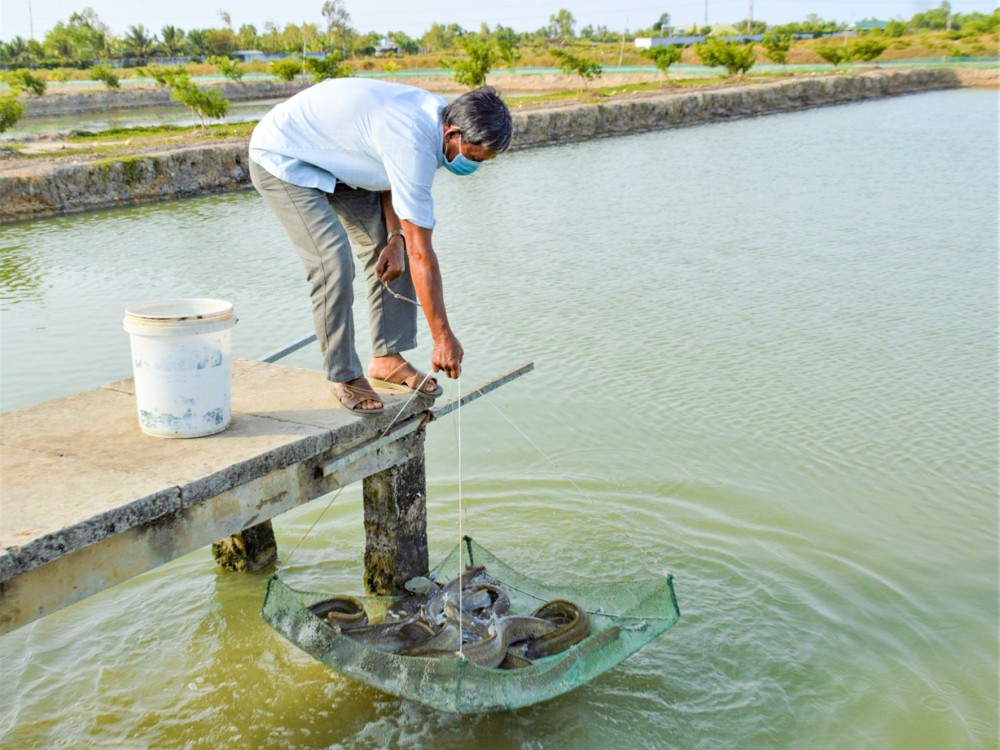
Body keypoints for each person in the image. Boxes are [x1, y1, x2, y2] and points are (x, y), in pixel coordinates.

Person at [248, 80, 513, 414]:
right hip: (283, 157)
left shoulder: (433, 121)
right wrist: (443, 337)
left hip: (340, 160)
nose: (473, 165)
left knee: (392, 250)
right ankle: (342, 375)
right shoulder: (412, 137)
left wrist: (394, 238)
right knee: (333, 262)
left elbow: (393, 179)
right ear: (453, 133)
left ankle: (387, 356)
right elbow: (422, 252)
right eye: (474, 156)